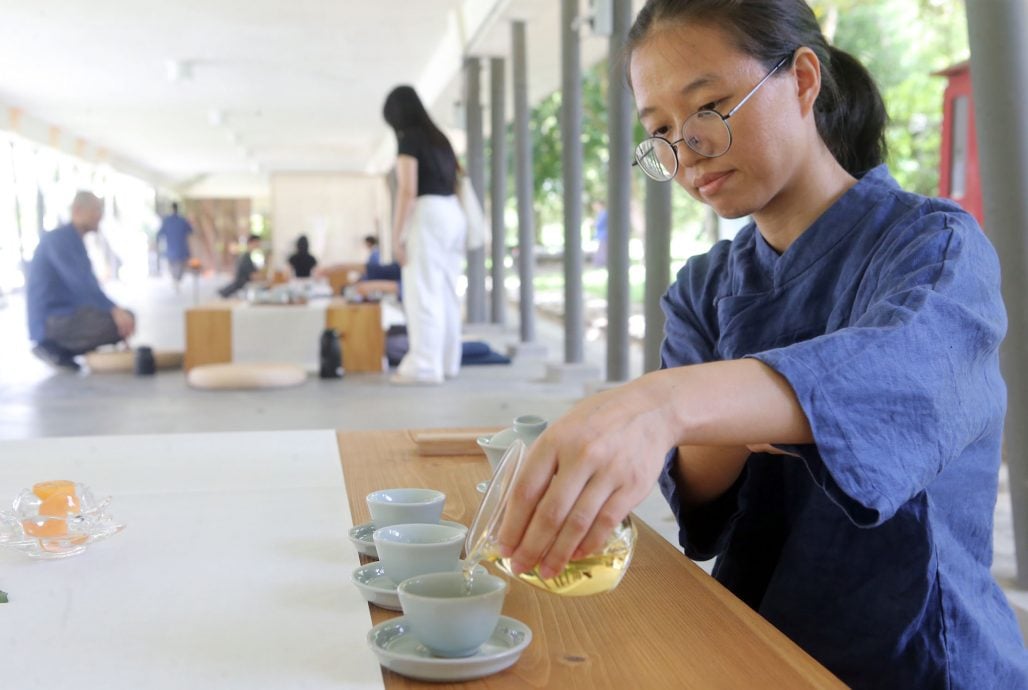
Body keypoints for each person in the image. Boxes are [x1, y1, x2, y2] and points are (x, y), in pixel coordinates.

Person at [494, 1, 1028, 688]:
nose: (687, 150)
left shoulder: (934, 246)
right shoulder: (704, 285)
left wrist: (669, 402)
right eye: (660, 131)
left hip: (917, 657)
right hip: (751, 639)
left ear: (804, 79)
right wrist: (713, 417)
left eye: (710, 105)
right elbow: (702, 491)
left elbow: (901, 382)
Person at [382, 85, 466, 385]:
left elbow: (407, 190)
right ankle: (446, 362)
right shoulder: (440, 138)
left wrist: (395, 237)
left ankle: (425, 366)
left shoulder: (409, 139)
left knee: (423, 291)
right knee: (445, 291)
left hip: (429, 214)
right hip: (453, 214)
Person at [26, 191, 136, 370]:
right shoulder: (59, 239)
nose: (100, 216)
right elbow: (81, 284)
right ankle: (52, 346)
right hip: (50, 321)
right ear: (77, 210)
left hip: (67, 314)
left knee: (125, 317)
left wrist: (114, 310)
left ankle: (63, 349)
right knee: (122, 320)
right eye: (95, 210)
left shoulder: (73, 240)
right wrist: (113, 310)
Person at [155, 201, 194, 291]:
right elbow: (191, 231)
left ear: (171, 209)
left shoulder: (167, 221)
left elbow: (159, 234)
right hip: (181, 249)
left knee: (173, 266)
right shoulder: (183, 220)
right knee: (180, 267)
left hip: (171, 249)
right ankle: (177, 280)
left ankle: (175, 280)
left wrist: (156, 243)